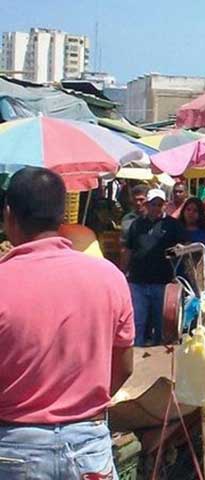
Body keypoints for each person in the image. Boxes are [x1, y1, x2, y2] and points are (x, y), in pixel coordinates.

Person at [0, 167, 134, 478]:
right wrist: (78, 407)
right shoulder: (109, 277)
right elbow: (124, 366)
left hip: (14, 450)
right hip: (89, 450)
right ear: (62, 216)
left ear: (9, 214)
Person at [126, 188, 183, 346]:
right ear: (147, 205)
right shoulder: (137, 225)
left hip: (162, 282)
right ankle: (135, 354)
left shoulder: (173, 225)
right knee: (138, 322)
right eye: (153, 204)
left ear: (164, 205)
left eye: (159, 204)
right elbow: (129, 249)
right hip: (138, 280)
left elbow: (183, 247)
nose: (156, 208)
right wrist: (124, 272)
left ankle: (158, 357)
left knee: (161, 323)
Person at [178, 197, 205, 293]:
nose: (191, 213)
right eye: (188, 210)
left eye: (195, 211)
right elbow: (168, 253)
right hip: (180, 278)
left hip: (202, 277)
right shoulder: (176, 230)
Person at [119, 184, 148, 268]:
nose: (138, 203)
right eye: (135, 200)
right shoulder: (127, 219)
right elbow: (123, 245)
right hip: (132, 264)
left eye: (141, 200)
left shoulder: (154, 220)